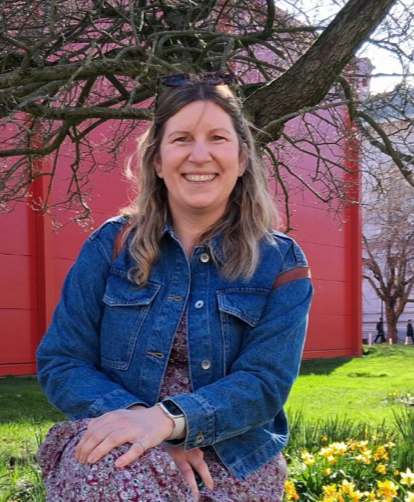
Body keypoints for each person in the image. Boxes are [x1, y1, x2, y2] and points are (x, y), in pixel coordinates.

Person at [36, 72, 313, 502]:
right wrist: (138, 423)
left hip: (233, 453)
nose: (199, 155)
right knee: (113, 468)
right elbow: (62, 360)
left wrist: (171, 422)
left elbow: (264, 383)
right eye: (182, 138)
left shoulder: (280, 262)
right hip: (118, 426)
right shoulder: (110, 247)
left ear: (241, 161)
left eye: (218, 138)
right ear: (157, 161)